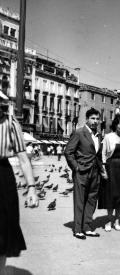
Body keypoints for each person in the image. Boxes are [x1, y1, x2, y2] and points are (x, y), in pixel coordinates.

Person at [0, 90, 39, 274]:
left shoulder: (9, 123)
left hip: (2, 177)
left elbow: (23, 159)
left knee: (2, 235)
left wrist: (31, 188)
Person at [65, 108, 106, 240]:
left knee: (92, 200)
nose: (95, 121)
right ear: (87, 119)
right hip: (81, 171)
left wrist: (101, 171)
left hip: (95, 172)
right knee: (80, 201)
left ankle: (87, 227)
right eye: (93, 118)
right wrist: (75, 167)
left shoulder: (99, 135)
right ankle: (78, 229)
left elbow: (98, 155)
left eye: (97, 119)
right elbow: (68, 152)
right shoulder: (79, 132)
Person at [98, 114, 120, 231]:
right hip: (111, 168)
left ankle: (117, 221)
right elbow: (103, 154)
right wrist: (103, 170)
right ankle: (108, 221)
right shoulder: (108, 137)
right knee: (111, 195)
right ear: (116, 125)